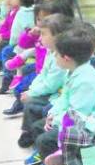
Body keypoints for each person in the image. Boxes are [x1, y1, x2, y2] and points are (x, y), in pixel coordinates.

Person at [32, 24, 95, 165]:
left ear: (66, 58)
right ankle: (50, 162)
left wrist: (55, 121)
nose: (53, 56)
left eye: (56, 54)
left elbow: (77, 114)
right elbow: (65, 99)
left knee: (45, 140)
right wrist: (53, 114)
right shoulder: (75, 71)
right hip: (76, 121)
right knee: (38, 126)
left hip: (91, 130)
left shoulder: (86, 80)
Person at [18, 15, 75, 151]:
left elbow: (51, 85)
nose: (40, 38)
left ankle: (39, 140)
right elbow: (42, 74)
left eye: (43, 34)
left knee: (33, 104)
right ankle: (29, 133)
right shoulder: (51, 52)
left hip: (54, 95)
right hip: (53, 95)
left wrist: (32, 93)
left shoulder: (61, 59)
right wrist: (31, 90)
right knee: (27, 99)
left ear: (57, 37)